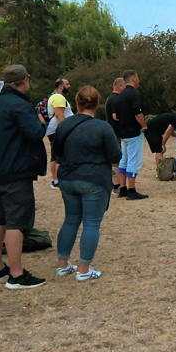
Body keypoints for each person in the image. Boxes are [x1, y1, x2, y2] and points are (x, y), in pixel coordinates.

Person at [0, 64, 48, 288]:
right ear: (24, 80)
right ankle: (17, 274)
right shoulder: (19, 105)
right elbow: (35, 133)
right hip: (15, 171)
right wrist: (40, 121)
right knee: (16, 222)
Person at [51, 85, 122, 282]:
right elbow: (115, 155)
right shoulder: (102, 127)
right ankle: (84, 268)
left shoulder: (64, 125)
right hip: (94, 179)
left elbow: (57, 152)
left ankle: (63, 264)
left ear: (77, 102)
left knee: (70, 219)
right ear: (97, 104)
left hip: (68, 177)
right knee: (91, 222)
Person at [116, 70, 147, 200]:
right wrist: (144, 125)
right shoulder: (134, 93)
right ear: (133, 78)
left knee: (124, 160)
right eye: (138, 77)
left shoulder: (121, 94)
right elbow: (137, 113)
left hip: (123, 133)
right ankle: (132, 190)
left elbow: (116, 115)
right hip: (134, 133)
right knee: (134, 161)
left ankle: (122, 188)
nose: (139, 80)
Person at [104, 77, 125, 192]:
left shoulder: (109, 98)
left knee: (114, 160)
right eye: (124, 86)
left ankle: (114, 184)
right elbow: (115, 116)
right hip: (116, 133)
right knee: (117, 160)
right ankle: (117, 185)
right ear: (120, 86)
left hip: (111, 131)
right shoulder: (117, 99)